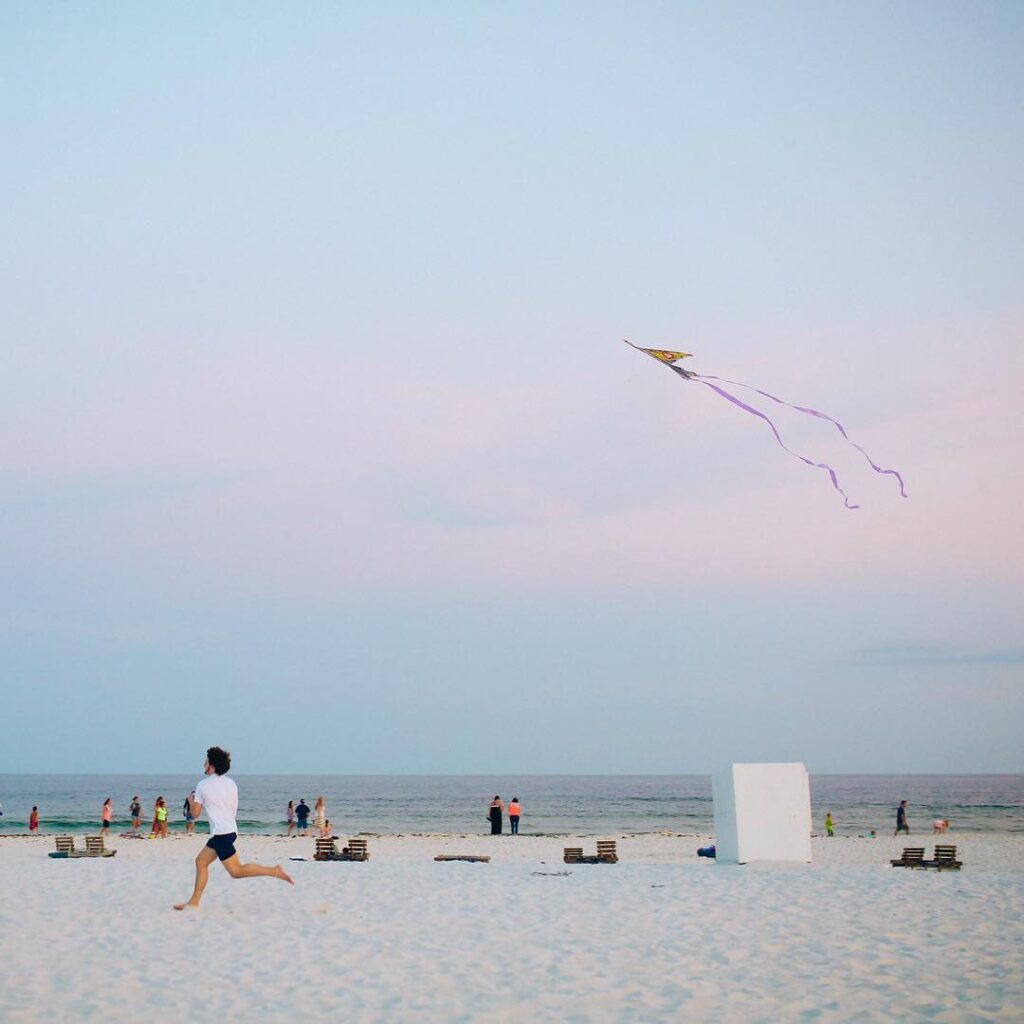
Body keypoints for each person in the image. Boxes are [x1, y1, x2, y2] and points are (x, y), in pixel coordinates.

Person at [174, 746, 293, 911]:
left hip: (221, 834)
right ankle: (194, 902)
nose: (204, 764)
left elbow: (194, 814)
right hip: (229, 831)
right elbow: (233, 810)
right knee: (201, 862)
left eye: (206, 761)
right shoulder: (231, 783)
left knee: (236, 871)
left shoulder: (202, 785)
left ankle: (274, 871)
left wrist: (191, 800)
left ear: (212, 764)